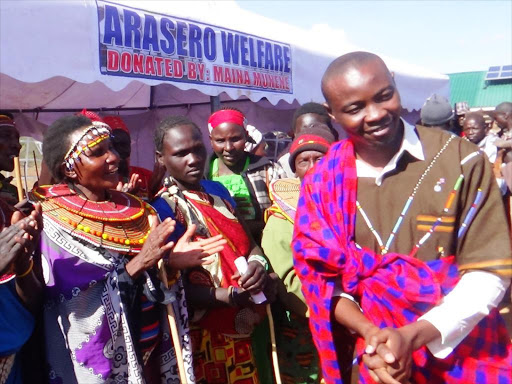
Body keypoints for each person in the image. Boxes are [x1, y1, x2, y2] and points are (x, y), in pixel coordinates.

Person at [292, 52, 512, 384]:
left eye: (385, 96)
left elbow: (490, 273)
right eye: (355, 108)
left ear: (394, 82)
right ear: (331, 113)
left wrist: (413, 336)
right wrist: (373, 335)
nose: (376, 114)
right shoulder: (322, 182)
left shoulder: (462, 161)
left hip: (463, 356)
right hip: (373, 361)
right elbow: (323, 281)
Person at [32, 114, 226, 383]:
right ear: (68, 169)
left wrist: (169, 264)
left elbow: (150, 279)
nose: (113, 157)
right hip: (103, 366)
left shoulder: (137, 210)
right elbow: (73, 305)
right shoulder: (51, 222)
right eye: (98, 153)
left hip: (150, 353)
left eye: (111, 147)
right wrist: (141, 262)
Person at [152, 115, 277, 384]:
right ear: (161, 158)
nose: (193, 159)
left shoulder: (217, 190)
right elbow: (171, 282)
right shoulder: (162, 210)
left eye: (197, 149)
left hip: (251, 314)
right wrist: (229, 295)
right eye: (180, 153)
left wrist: (258, 265)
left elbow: (249, 241)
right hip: (205, 332)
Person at [262, 124, 348, 384]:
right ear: (295, 170)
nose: (312, 167)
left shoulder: (348, 204)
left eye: (319, 159)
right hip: (310, 327)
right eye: (303, 161)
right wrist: (343, 309)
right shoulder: (281, 221)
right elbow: (291, 282)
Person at [0, 113, 44, 384]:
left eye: (17, 139)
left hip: (13, 337)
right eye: (6, 138)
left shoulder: (5, 205)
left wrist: (24, 254)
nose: (16, 148)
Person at [207, 107, 285, 243]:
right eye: (220, 141)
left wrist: (252, 225)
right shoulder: (203, 174)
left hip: (266, 245)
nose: (228, 148)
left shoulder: (269, 170)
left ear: (246, 136)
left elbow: (286, 214)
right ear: (210, 140)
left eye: (235, 139)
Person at [278, 102, 339, 177]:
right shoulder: (285, 163)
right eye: (304, 131)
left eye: (317, 130)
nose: (311, 134)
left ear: (330, 131)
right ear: (294, 134)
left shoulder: (345, 159)